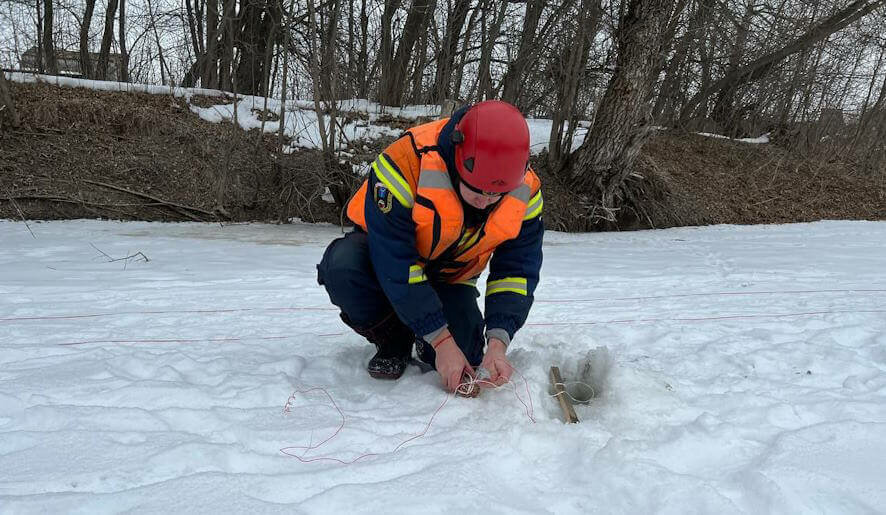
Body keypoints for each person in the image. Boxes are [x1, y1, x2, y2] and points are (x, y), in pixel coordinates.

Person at [316, 100, 543, 394]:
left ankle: (427, 339)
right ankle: (393, 338)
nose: (486, 201)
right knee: (342, 266)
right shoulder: (404, 162)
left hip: (451, 278)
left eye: (496, 194)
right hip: (386, 265)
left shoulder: (527, 190)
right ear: (458, 160)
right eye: (477, 191)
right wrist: (441, 340)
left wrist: (498, 342)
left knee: (468, 353)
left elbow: (517, 271)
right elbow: (395, 264)